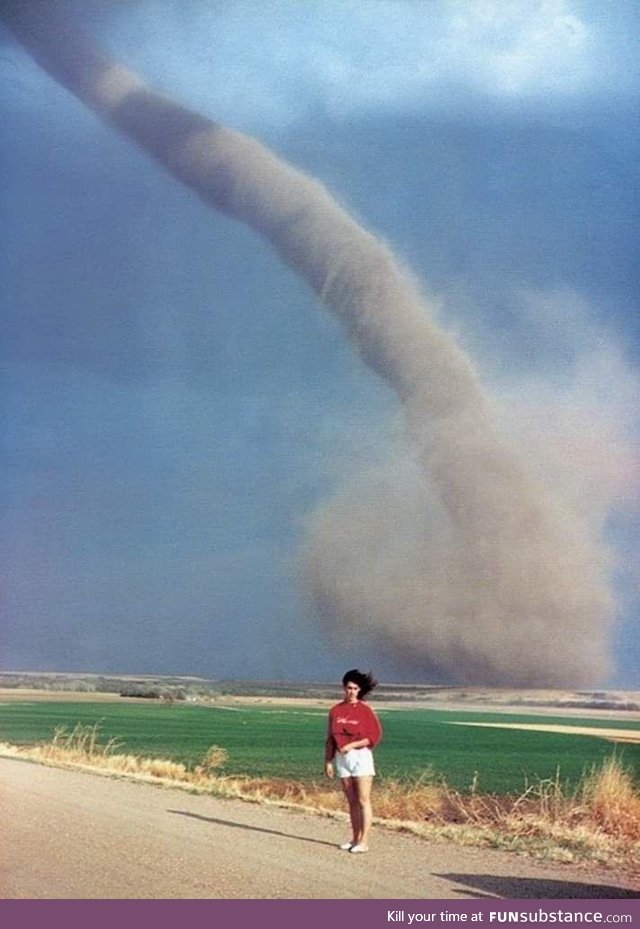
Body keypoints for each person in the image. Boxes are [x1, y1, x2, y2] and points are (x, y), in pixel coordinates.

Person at [324, 668, 382, 853]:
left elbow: (374, 736)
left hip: (360, 756)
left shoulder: (366, 710)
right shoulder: (335, 710)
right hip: (342, 758)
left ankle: (364, 841)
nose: (351, 691)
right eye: (349, 687)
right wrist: (328, 761)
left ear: (360, 690)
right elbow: (330, 738)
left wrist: (352, 745)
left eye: (355, 688)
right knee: (351, 801)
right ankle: (355, 838)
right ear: (344, 687)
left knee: (363, 799)